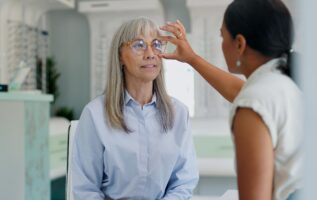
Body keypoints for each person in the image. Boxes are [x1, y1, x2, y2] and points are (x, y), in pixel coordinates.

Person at [159, 0, 302, 200]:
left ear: (240, 44)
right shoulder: (290, 79)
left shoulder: (254, 104)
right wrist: (192, 58)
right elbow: (242, 91)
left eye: (222, 36)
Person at [71, 17, 199, 200]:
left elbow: (183, 182)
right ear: (120, 56)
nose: (150, 53)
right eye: (139, 45)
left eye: (156, 44)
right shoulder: (95, 114)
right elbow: (85, 189)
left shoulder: (179, 113)